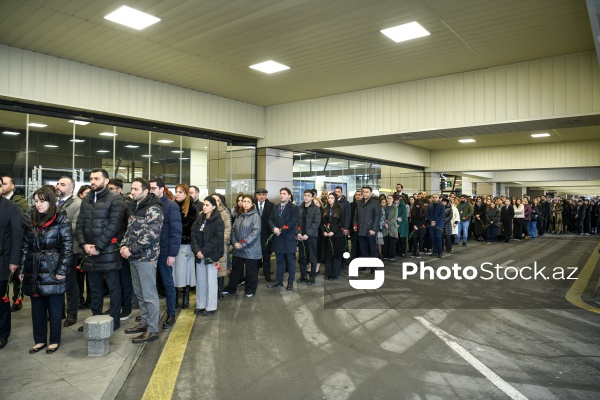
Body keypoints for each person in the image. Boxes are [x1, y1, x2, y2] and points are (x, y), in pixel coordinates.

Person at [19, 186, 72, 354]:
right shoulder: (30, 220)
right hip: (34, 268)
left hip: (52, 267)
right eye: (35, 201)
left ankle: (54, 340)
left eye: (42, 201)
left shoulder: (61, 221)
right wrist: (22, 269)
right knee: (37, 308)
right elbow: (25, 247)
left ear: (51, 202)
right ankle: (39, 340)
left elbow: (67, 249)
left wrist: (62, 270)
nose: (38, 205)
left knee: (55, 308)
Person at [75, 168, 126, 332]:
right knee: (95, 290)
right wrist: (84, 245)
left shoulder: (115, 199)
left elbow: (114, 226)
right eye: (91, 178)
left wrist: (98, 247)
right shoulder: (87, 198)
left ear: (106, 180)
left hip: (108, 252)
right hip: (90, 253)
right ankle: (96, 321)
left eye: (96, 178)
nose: (93, 181)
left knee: (113, 289)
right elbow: (80, 225)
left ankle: (115, 321)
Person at [121, 178, 164, 344]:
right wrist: (124, 246)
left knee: (150, 295)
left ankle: (152, 330)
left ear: (146, 191)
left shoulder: (154, 209)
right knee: (140, 294)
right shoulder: (135, 207)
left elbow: (151, 235)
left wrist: (131, 249)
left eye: (135, 189)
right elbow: (129, 231)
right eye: (132, 189)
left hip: (146, 258)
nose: (132, 192)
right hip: (134, 257)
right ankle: (145, 323)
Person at [149, 179, 181, 329]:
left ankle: (171, 313)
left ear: (162, 189)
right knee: (150, 285)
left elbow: (176, 231)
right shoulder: (148, 205)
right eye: (149, 188)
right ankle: (150, 314)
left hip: (164, 252)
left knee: (168, 284)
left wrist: (172, 254)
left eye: (154, 188)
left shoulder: (171, 205)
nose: (151, 190)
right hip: (149, 252)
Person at [191, 196, 224, 315]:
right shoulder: (199, 219)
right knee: (200, 281)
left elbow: (217, 239)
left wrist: (203, 251)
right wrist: (197, 251)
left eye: (207, 205)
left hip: (211, 255)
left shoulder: (218, 221)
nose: (204, 207)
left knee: (211, 282)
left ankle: (211, 307)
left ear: (214, 207)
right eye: (204, 205)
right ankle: (201, 305)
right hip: (199, 255)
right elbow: (193, 236)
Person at [55, 177, 82, 327]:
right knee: (57, 281)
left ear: (71, 189)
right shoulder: (53, 202)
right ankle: (59, 311)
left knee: (70, 283)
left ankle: (72, 313)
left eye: (62, 184)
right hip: (54, 249)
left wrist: (53, 230)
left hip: (70, 249)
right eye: (58, 183)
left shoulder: (77, 203)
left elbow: (75, 227)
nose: (58, 186)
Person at [0, 177, 23, 350]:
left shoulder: (12, 208)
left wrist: (14, 261)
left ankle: (2, 333)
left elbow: (17, 237)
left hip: (3, 261)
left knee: (1, 300)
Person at [225, 195, 262, 297]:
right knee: (235, 271)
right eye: (244, 201)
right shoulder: (239, 215)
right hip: (238, 248)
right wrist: (235, 242)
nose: (245, 203)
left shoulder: (255, 217)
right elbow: (233, 230)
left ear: (252, 204)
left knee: (251, 272)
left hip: (251, 249)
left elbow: (255, 233)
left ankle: (250, 290)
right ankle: (231, 289)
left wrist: (243, 243)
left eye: (248, 201)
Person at [268, 188, 299, 290]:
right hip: (278, 238)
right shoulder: (276, 207)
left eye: (284, 194)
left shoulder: (294, 208)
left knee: (290, 261)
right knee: (279, 261)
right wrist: (274, 228)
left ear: (289, 196)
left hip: (288, 238)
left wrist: (281, 230)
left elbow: (293, 221)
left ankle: (290, 282)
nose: (282, 195)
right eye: (281, 193)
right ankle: (278, 281)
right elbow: (270, 219)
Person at [173, 184, 198, 309]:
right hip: (174, 245)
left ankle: (186, 297)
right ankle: (175, 297)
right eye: (176, 191)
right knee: (174, 272)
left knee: (186, 271)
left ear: (186, 194)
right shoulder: (172, 206)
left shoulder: (192, 208)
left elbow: (193, 228)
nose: (177, 194)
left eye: (180, 192)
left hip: (186, 245)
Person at [296, 190, 321, 284]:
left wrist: (308, 234)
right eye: (305, 195)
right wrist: (297, 233)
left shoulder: (316, 209)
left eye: (308, 196)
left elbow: (316, 223)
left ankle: (312, 277)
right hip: (301, 236)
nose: (306, 197)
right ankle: (303, 276)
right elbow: (295, 222)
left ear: (312, 197)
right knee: (302, 257)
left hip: (311, 237)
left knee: (312, 257)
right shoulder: (299, 208)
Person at [354, 186, 382, 269]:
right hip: (361, 229)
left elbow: (377, 217)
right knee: (363, 249)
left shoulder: (375, 203)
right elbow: (356, 216)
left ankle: (374, 266)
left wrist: (374, 229)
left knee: (372, 249)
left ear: (371, 193)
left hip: (370, 230)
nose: (365, 193)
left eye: (367, 192)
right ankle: (363, 265)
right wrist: (355, 225)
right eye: (363, 192)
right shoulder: (359, 203)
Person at [211, 193, 232, 298]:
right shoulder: (204, 212)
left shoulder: (224, 213)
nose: (215, 202)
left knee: (221, 267)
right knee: (210, 268)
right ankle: (212, 290)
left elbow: (227, 229)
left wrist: (220, 240)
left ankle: (219, 290)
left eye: (217, 200)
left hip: (220, 245)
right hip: (208, 247)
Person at [322, 193, 345, 280]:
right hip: (327, 235)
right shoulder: (325, 209)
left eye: (332, 198)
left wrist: (333, 231)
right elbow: (322, 223)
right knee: (328, 255)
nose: (329, 199)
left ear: (335, 199)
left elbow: (341, 222)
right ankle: (329, 273)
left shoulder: (339, 209)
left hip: (337, 235)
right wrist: (324, 231)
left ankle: (335, 273)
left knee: (336, 255)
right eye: (329, 198)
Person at [76, 185, 91, 309]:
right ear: (80, 194)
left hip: (89, 247)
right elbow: (78, 227)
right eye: (85, 193)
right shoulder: (80, 206)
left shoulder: (92, 206)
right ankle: (79, 299)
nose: (88, 195)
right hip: (79, 248)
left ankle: (89, 300)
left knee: (90, 278)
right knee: (79, 278)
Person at [255, 188, 274, 282]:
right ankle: (254, 275)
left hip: (267, 235)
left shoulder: (271, 205)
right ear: (256, 196)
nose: (261, 196)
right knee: (255, 257)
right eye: (259, 194)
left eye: (263, 194)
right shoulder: (252, 205)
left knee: (266, 256)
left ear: (266, 195)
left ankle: (267, 274)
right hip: (255, 236)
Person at [427, 193, 444, 258]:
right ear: (432, 198)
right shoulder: (429, 205)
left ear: (438, 198)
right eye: (433, 197)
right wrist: (431, 221)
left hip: (439, 224)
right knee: (433, 238)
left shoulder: (441, 205)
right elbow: (427, 214)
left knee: (438, 238)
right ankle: (434, 251)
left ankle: (440, 252)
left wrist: (435, 221)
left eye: (436, 197)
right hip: (431, 224)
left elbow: (442, 215)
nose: (435, 198)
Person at [382, 195, 398, 260]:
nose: (389, 200)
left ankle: (392, 255)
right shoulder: (383, 207)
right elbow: (381, 216)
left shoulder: (395, 207)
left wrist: (388, 223)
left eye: (390, 198)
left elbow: (395, 217)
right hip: (384, 226)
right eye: (388, 198)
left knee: (392, 242)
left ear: (393, 200)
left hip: (392, 226)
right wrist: (384, 223)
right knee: (385, 241)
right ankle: (385, 255)